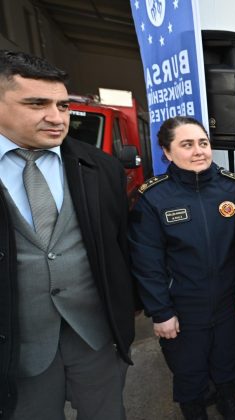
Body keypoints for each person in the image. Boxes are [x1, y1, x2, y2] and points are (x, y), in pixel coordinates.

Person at [0, 49, 135, 419]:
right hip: (17, 351)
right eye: (36, 103)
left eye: (62, 105)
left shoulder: (101, 167)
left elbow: (118, 246)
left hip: (94, 337)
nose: (56, 117)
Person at [128, 117, 235, 420]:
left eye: (203, 143)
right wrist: (161, 312)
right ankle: (194, 410)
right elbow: (147, 263)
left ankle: (228, 400)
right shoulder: (153, 198)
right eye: (187, 144)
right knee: (188, 369)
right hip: (182, 308)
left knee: (228, 358)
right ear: (167, 152)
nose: (199, 151)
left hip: (230, 301)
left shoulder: (234, 189)